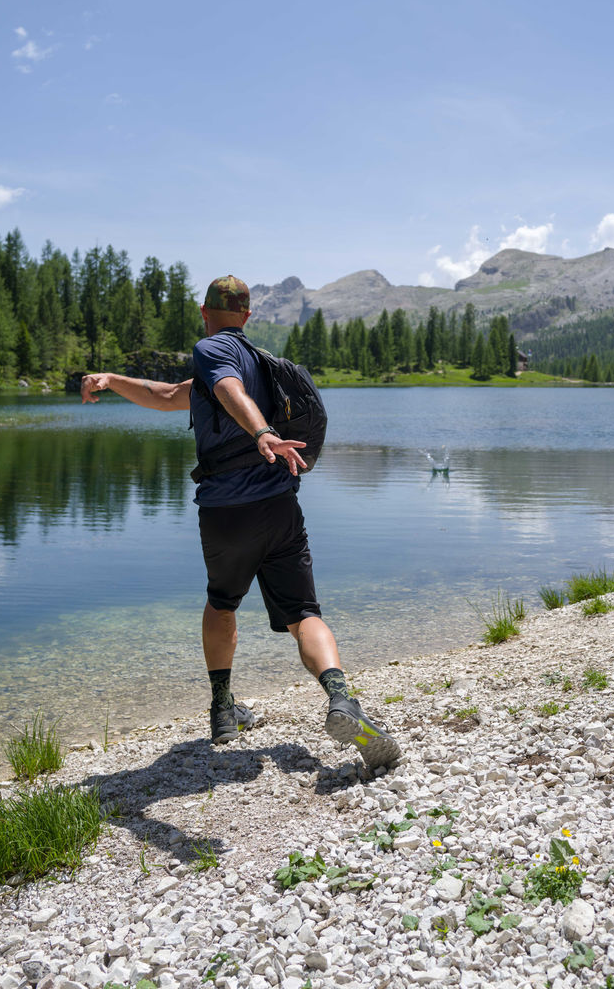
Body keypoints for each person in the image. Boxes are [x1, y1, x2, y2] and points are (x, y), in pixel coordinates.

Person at [81, 274, 400, 769]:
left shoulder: (212, 353)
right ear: (247, 317)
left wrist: (261, 432)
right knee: (303, 614)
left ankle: (222, 709)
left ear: (204, 312)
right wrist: (111, 379)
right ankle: (340, 699)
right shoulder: (259, 364)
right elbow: (168, 395)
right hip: (278, 507)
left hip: (227, 513)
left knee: (222, 603)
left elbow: (226, 389)